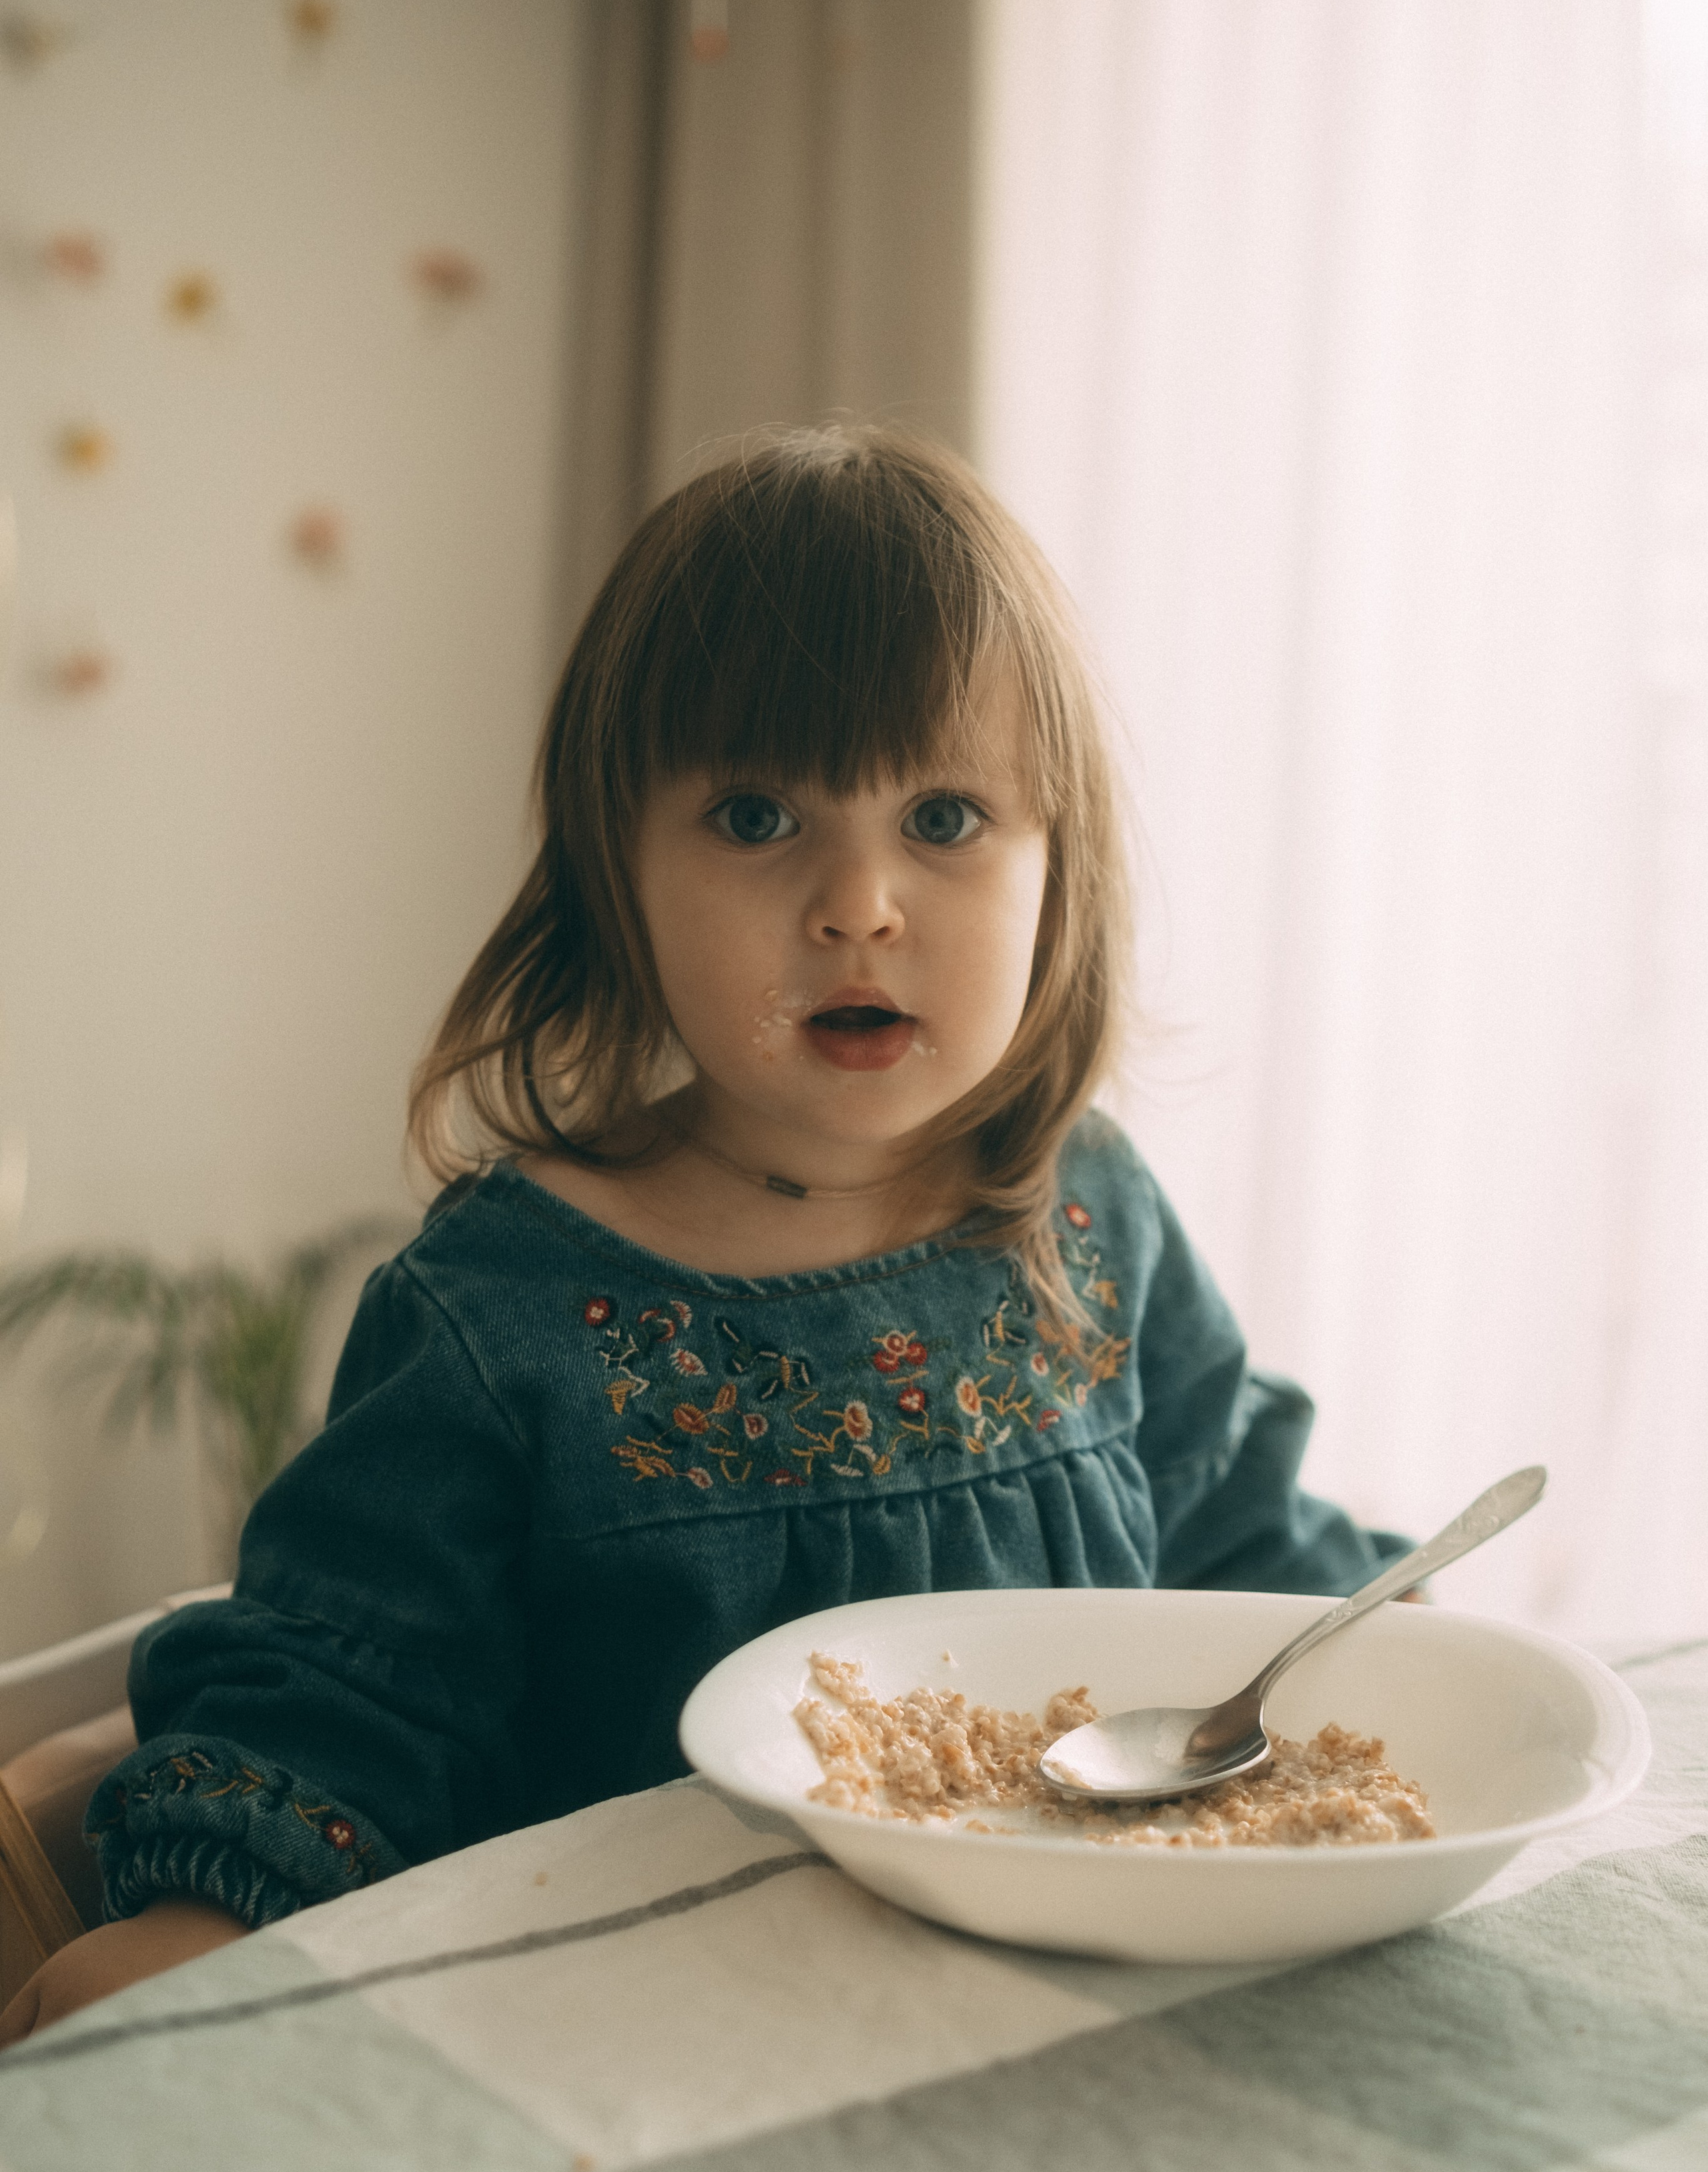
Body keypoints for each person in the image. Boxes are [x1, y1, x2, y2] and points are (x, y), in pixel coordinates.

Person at [0, 425, 1408, 2045]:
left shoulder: (1086, 1212)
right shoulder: (500, 1308)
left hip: (1076, 2027)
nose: (859, 901)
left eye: (944, 817)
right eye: (754, 817)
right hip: (640, 2058)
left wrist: (1411, 1664)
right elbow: (346, 1689)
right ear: (619, 875)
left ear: (1056, 870)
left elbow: (1247, 1557)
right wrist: (198, 1915)